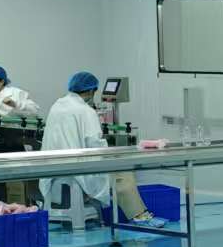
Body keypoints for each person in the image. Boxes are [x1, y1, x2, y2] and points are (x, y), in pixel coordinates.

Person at [39, 73, 167, 228]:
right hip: (76, 169)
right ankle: (139, 216)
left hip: (53, 167)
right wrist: (112, 154)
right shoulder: (85, 111)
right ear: (91, 91)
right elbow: (96, 144)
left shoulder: (57, 106)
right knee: (123, 174)